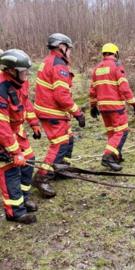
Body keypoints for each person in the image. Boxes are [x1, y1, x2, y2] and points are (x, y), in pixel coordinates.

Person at [32, 33, 85, 198]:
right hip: (52, 112)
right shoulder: (58, 65)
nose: (70, 52)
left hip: (48, 109)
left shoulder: (49, 61)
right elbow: (62, 96)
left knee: (68, 139)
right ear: (62, 47)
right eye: (69, 49)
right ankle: (42, 177)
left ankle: (60, 169)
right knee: (59, 144)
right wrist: (78, 112)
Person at [0, 49, 40, 224]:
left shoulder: (20, 83)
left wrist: (34, 124)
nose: (26, 74)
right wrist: (15, 152)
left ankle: (23, 198)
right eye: (23, 71)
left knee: (29, 160)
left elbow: (26, 104)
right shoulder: (1, 89)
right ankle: (15, 212)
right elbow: (1, 125)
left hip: (16, 132)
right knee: (11, 171)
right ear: (10, 70)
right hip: (3, 136)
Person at [89, 43, 135, 171]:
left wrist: (93, 106)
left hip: (103, 108)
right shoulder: (116, 66)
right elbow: (124, 88)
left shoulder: (97, 68)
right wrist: (134, 103)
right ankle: (108, 157)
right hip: (116, 107)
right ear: (116, 53)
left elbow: (92, 90)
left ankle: (116, 155)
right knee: (121, 131)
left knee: (112, 132)